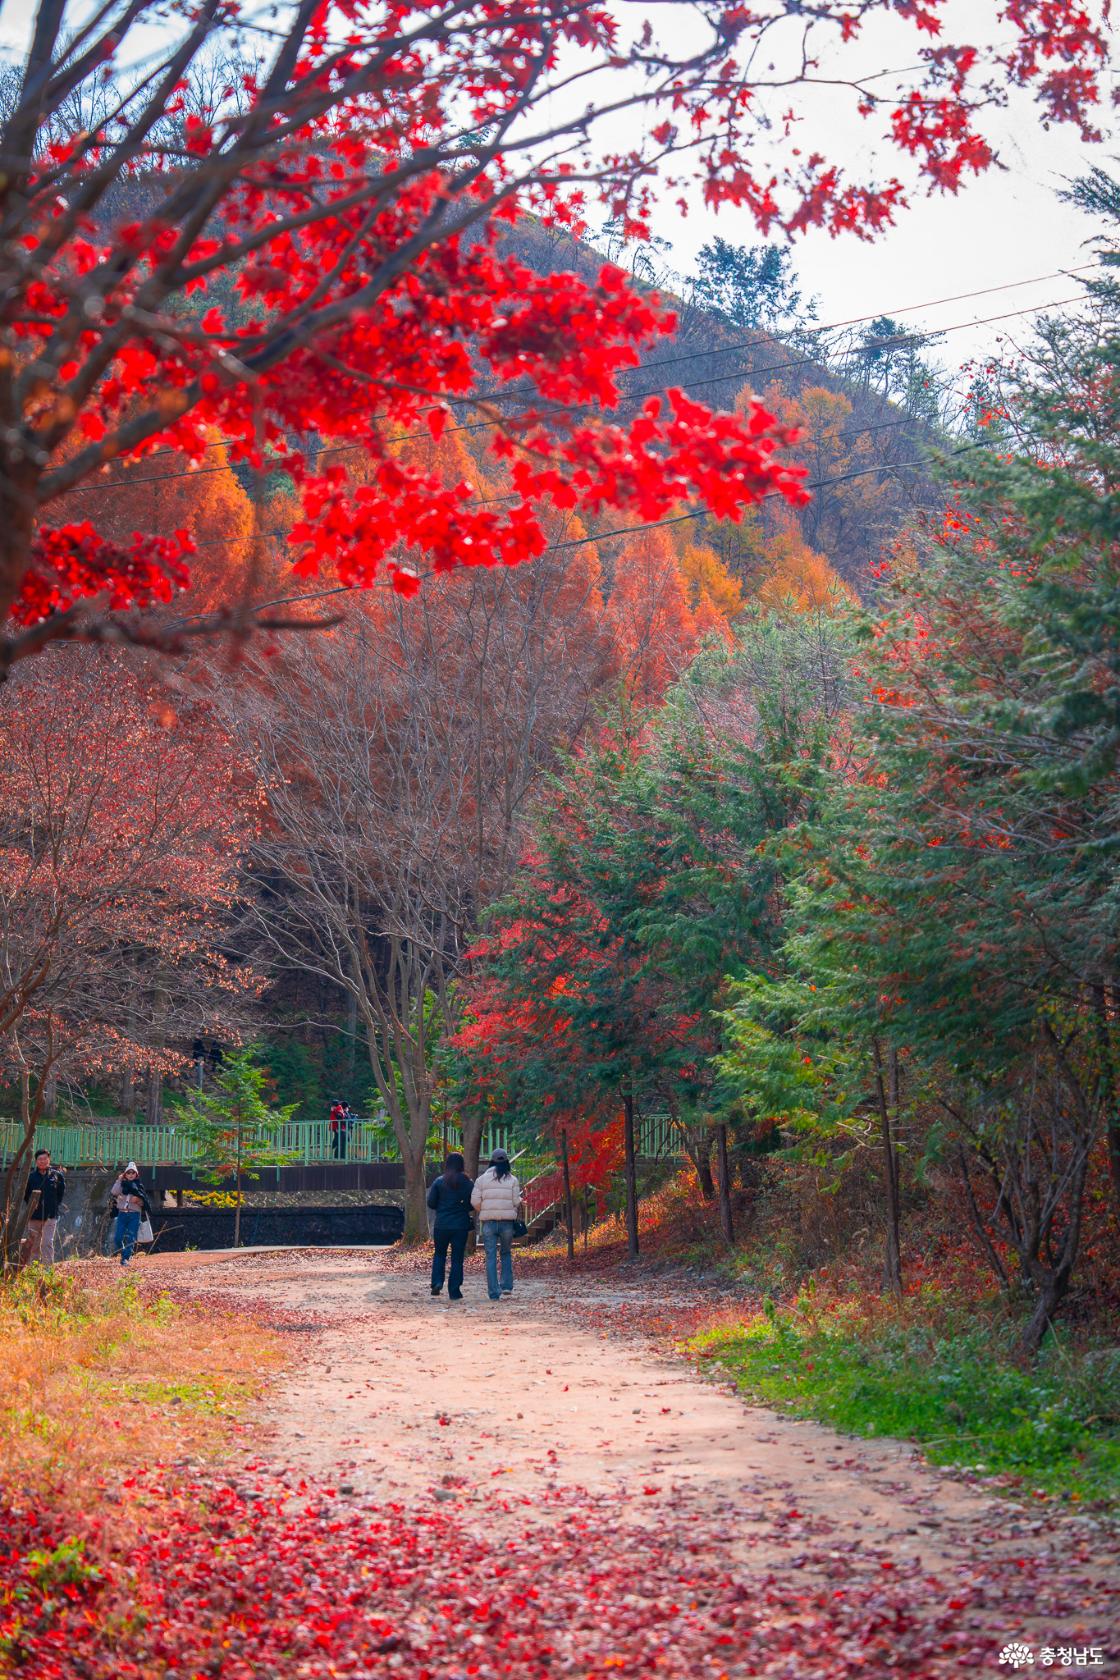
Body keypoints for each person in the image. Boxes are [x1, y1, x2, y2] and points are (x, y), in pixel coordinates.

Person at [471, 1147, 523, 1303]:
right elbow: (515, 1202)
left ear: (491, 1162)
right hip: (507, 1223)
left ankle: (494, 1292)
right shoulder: (513, 1180)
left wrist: (485, 1209)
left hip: (489, 1223)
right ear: (506, 1162)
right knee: (506, 1253)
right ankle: (506, 1285)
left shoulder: (481, 1180)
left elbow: (474, 1201)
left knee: (491, 1256)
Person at [426, 1152, 474, 1302]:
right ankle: (454, 1291)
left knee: (439, 1254)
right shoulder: (468, 1183)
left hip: (441, 1225)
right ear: (461, 1165)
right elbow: (472, 1204)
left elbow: (431, 1203)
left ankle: (437, 1282)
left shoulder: (439, 1181)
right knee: (457, 1258)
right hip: (460, 1225)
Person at [21, 1148, 66, 1268]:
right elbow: (25, 1195)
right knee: (34, 1244)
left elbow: (60, 1194)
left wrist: (54, 1206)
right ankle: (33, 1269)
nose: (42, 1161)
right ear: (36, 1161)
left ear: (49, 1160)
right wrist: (32, 1206)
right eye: (40, 1159)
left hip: (51, 1216)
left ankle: (47, 1270)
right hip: (34, 1216)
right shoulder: (30, 1177)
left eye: (45, 1158)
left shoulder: (57, 1176)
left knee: (47, 1243)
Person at [108, 1161, 152, 1266]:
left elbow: (144, 1202)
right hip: (122, 1214)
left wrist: (138, 1200)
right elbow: (114, 1192)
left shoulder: (139, 1186)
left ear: (136, 1174)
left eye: (133, 1173)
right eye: (128, 1173)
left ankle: (125, 1258)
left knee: (131, 1237)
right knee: (118, 1238)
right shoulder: (121, 1185)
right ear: (125, 1174)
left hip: (134, 1215)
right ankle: (125, 1253)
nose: (131, 1175)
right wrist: (119, 1180)